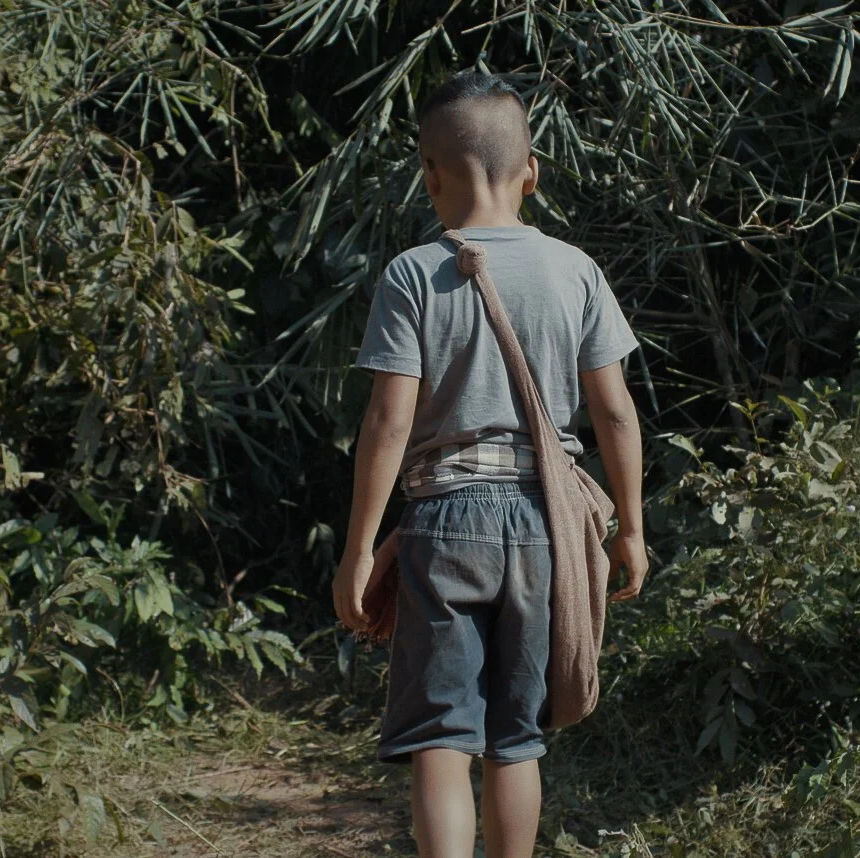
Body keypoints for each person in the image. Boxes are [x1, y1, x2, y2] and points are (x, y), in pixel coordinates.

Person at [331, 71, 648, 858]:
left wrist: (359, 549)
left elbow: (388, 420)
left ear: (431, 174)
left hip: (444, 522)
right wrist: (631, 530)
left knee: (443, 735)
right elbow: (613, 411)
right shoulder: (574, 270)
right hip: (546, 523)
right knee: (516, 736)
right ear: (531, 170)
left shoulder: (413, 273)